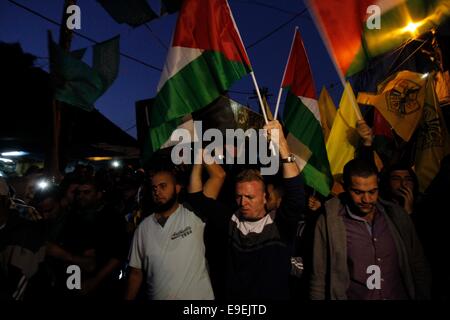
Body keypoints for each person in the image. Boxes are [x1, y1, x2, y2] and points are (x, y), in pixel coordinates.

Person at [187, 120, 306, 300]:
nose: (243, 203)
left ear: (265, 196)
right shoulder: (232, 220)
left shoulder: (279, 224)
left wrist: (282, 144)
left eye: (250, 197)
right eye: (239, 196)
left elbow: (296, 195)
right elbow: (196, 198)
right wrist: (199, 158)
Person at [310, 158, 431, 300]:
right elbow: (318, 279)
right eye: (358, 192)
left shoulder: (396, 216)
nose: (367, 199)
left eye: (372, 191)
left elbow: (418, 264)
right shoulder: (329, 223)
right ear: (345, 187)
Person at [124, 165, 214, 300]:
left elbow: (217, 177)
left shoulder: (194, 214)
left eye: (163, 186)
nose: (157, 191)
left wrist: (199, 155)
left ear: (177, 188)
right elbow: (136, 273)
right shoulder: (143, 228)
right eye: (154, 188)